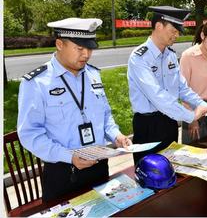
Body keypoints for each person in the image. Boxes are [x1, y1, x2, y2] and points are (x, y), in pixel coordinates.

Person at [17, 18, 132, 202]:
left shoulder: (93, 74)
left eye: (90, 48)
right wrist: (69, 156)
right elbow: (30, 134)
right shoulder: (37, 83)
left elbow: (105, 115)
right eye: (80, 48)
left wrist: (116, 135)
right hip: (63, 172)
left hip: (99, 165)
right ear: (60, 44)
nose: (86, 54)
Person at [127, 6, 207, 163]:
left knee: (172, 167)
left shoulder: (170, 55)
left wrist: (202, 104)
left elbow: (182, 88)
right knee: (149, 174)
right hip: (149, 125)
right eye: (174, 30)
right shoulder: (139, 58)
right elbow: (158, 96)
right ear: (158, 26)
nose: (177, 35)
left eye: (178, 31)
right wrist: (191, 116)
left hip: (169, 121)